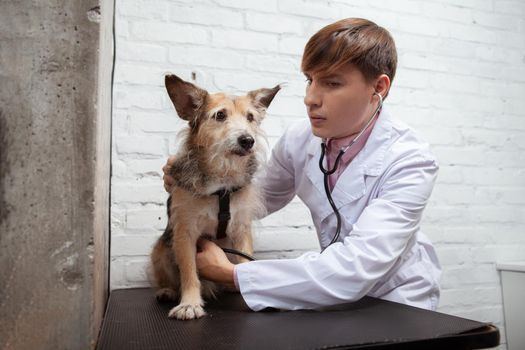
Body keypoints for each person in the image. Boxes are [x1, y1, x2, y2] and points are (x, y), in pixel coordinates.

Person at [162, 18, 441, 311]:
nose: (310, 98)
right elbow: (253, 201)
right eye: (310, 80)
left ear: (378, 88)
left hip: (397, 300)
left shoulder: (411, 160)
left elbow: (356, 267)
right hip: (327, 290)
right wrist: (199, 182)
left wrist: (233, 274)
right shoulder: (300, 138)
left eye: (332, 83)